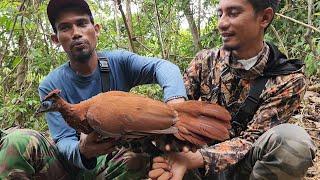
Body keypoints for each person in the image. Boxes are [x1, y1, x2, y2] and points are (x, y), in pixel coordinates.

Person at [0, 0, 187, 179]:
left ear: (96, 30)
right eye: (65, 27)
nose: (75, 33)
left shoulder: (119, 62)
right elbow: (63, 140)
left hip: (115, 158)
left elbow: (163, 68)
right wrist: (82, 151)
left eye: (81, 23)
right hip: (71, 165)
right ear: (55, 39)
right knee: (17, 141)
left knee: (139, 160)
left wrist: (176, 103)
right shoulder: (51, 84)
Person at [148, 0, 316, 179]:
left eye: (233, 13)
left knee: (293, 141)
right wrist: (168, 154)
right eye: (220, 14)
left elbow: (252, 139)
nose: (221, 23)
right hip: (194, 165)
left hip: (244, 168)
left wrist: (198, 158)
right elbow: (174, 117)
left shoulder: (287, 79)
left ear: (264, 18)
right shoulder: (205, 61)